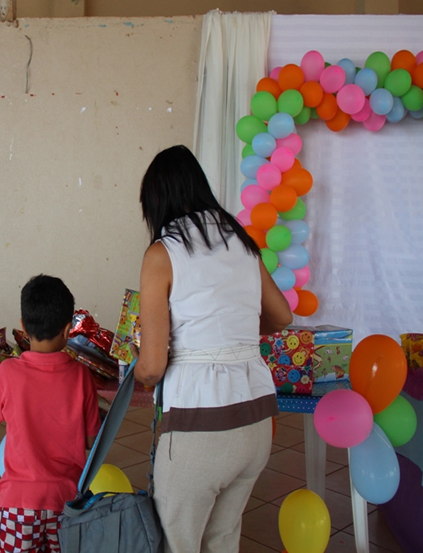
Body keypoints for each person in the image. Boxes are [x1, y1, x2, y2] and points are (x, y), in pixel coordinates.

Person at [134, 145, 293, 553]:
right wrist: (236, 335)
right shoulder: (241, 242)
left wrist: (136, 373)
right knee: (222, 539)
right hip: (256, 423)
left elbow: (151, 367)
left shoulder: (162, 253)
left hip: (200, 425)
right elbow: (282, 316)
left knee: (178, 542)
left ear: (157, 200)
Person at [0, 274, 102, 553]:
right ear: (67, 330)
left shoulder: (7, 373)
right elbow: (91, 440)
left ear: (23, 327)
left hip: (18, 504)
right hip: (66, 503)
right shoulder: (82, 377)